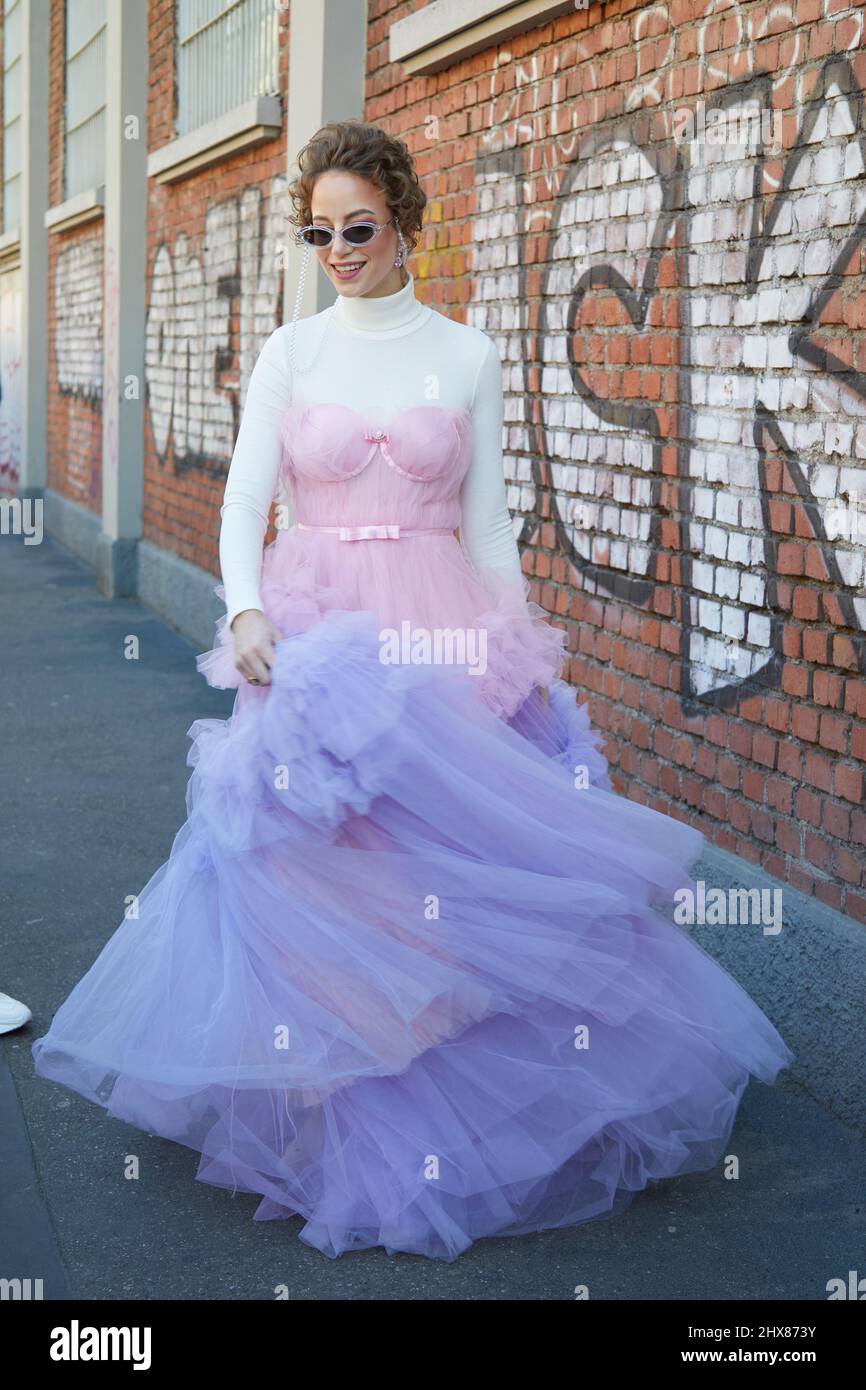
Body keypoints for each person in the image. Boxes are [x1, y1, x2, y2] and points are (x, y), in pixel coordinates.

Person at [31, 120, 793, 1261]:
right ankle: (338, 1119)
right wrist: (242, 609)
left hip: (443, 627)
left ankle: (476, 1120)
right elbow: (246, 502)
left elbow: (488, 525)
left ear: (404, 225)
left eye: (357, 227)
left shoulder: (468, 356)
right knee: (334, 880)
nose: (337, 247)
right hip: (323, 638)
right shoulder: (293, 352)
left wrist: (521, 648)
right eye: (317, 231)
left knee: (459, 871)